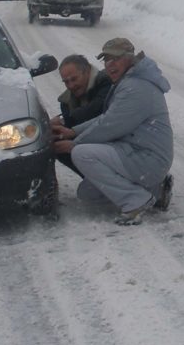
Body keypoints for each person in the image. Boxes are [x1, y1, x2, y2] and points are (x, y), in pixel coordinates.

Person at [52, 37, 174, 224]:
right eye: (106, 60)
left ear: (130, 58)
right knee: (87, 194)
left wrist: (74, 144)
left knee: (82, 154)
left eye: (115, 59)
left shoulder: (136, 87)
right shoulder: (128, 81)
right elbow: (108, 117)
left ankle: (135, 201)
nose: (110, 65)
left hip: (148, 158)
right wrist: (73, 131)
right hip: (136, 154)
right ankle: (156, 191)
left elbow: (110, 125)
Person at [50, 54, 113, 176]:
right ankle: (94, 180)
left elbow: (95, 110)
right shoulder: (66, 100)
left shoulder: (106, 82)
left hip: (114, 140)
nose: (71, 86)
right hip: (93, 139)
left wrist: (63, 121)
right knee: (56, 144)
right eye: (66, 82)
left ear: (88, 71)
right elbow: (71, 125)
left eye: (74, 79)